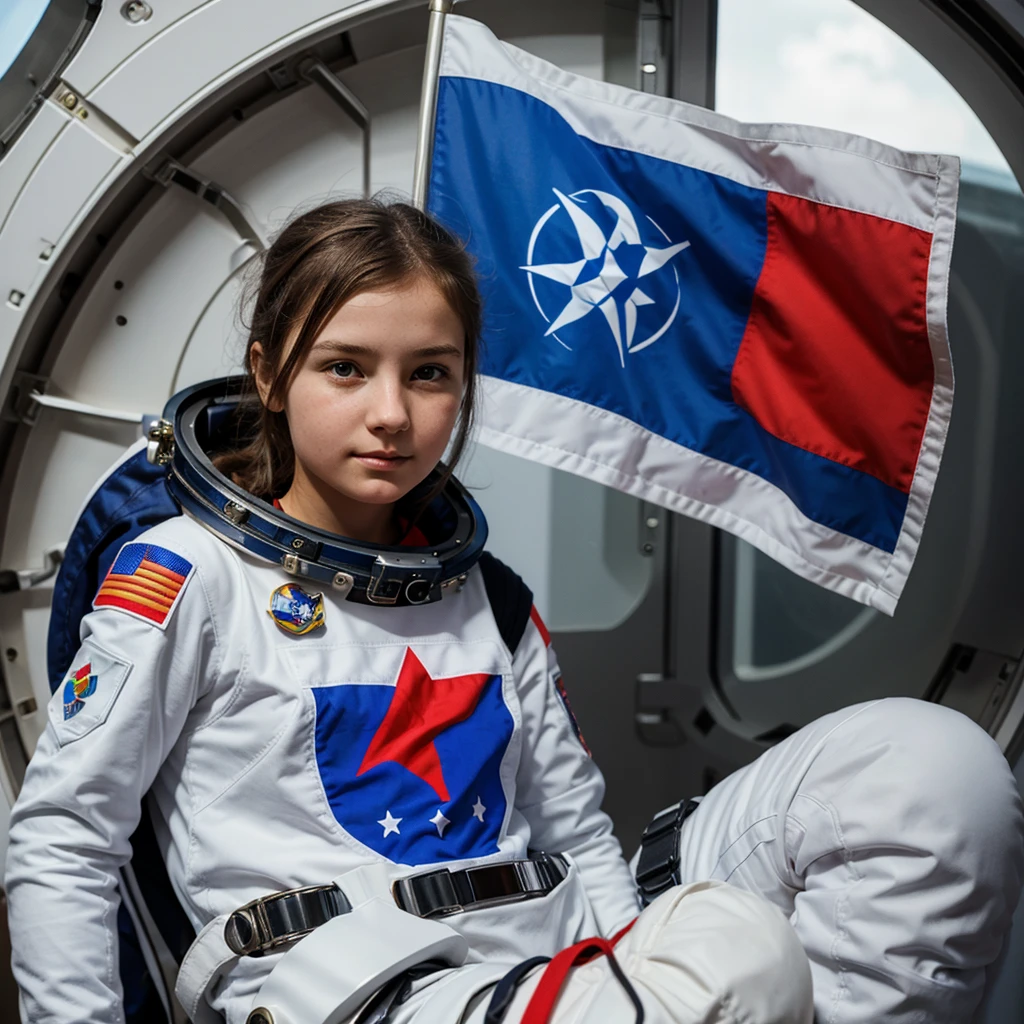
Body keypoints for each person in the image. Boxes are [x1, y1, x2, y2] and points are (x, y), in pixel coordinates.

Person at [3, 198, 1020, 1024]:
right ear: (269, 372)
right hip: (358, 985)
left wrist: (626, 962)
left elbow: (576, 832)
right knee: (744, 960)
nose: (391, 413)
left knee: (931, 772)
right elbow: (62, 835)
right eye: (345, 367)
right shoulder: (186, 575)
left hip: (550, 943)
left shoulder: (486, 594)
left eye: (429, 374)